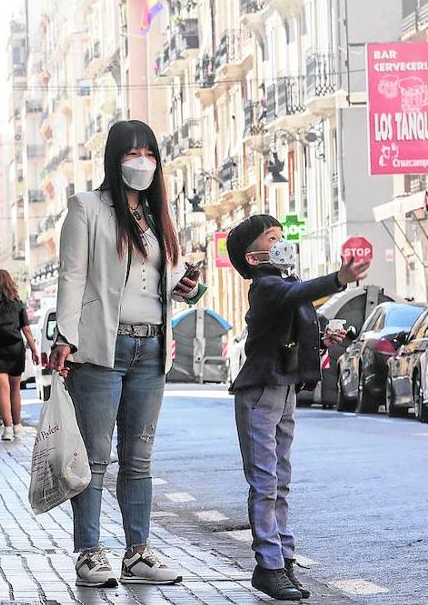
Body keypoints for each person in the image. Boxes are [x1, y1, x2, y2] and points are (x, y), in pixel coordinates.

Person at [46, 120, 206, 589]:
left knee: (139, 458)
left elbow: (167, 278)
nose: (142, 163)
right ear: (114, 160)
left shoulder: (158, 217)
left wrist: (188, 286)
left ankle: (138, 553)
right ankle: (90, 553)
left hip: (152, 349)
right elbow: (71, 277)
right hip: (101, 348)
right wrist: (64, 337)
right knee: (95, 458)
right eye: (132, 153)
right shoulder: (87, 208)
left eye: (150, 154)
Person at [225, 215, 369, 601]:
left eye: (281, 235)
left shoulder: (285, 286)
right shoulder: (266, 288)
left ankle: (284, 561)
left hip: (285, 390)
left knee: (281, 480)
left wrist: (323, 337)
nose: (281, 242)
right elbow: (296, 296)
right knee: (265, 482)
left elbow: (295, 326)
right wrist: (339, 278)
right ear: (253, 258)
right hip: (260, 392)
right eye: (272, 238)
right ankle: (268, 567)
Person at [0, 270, 37, 441]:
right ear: (10, 284)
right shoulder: (18, 305)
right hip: (15, 350)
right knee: (15, 390)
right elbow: (27, 330)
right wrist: (35, 351)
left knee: (2, 390)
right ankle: (17, 426)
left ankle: (7, 429)